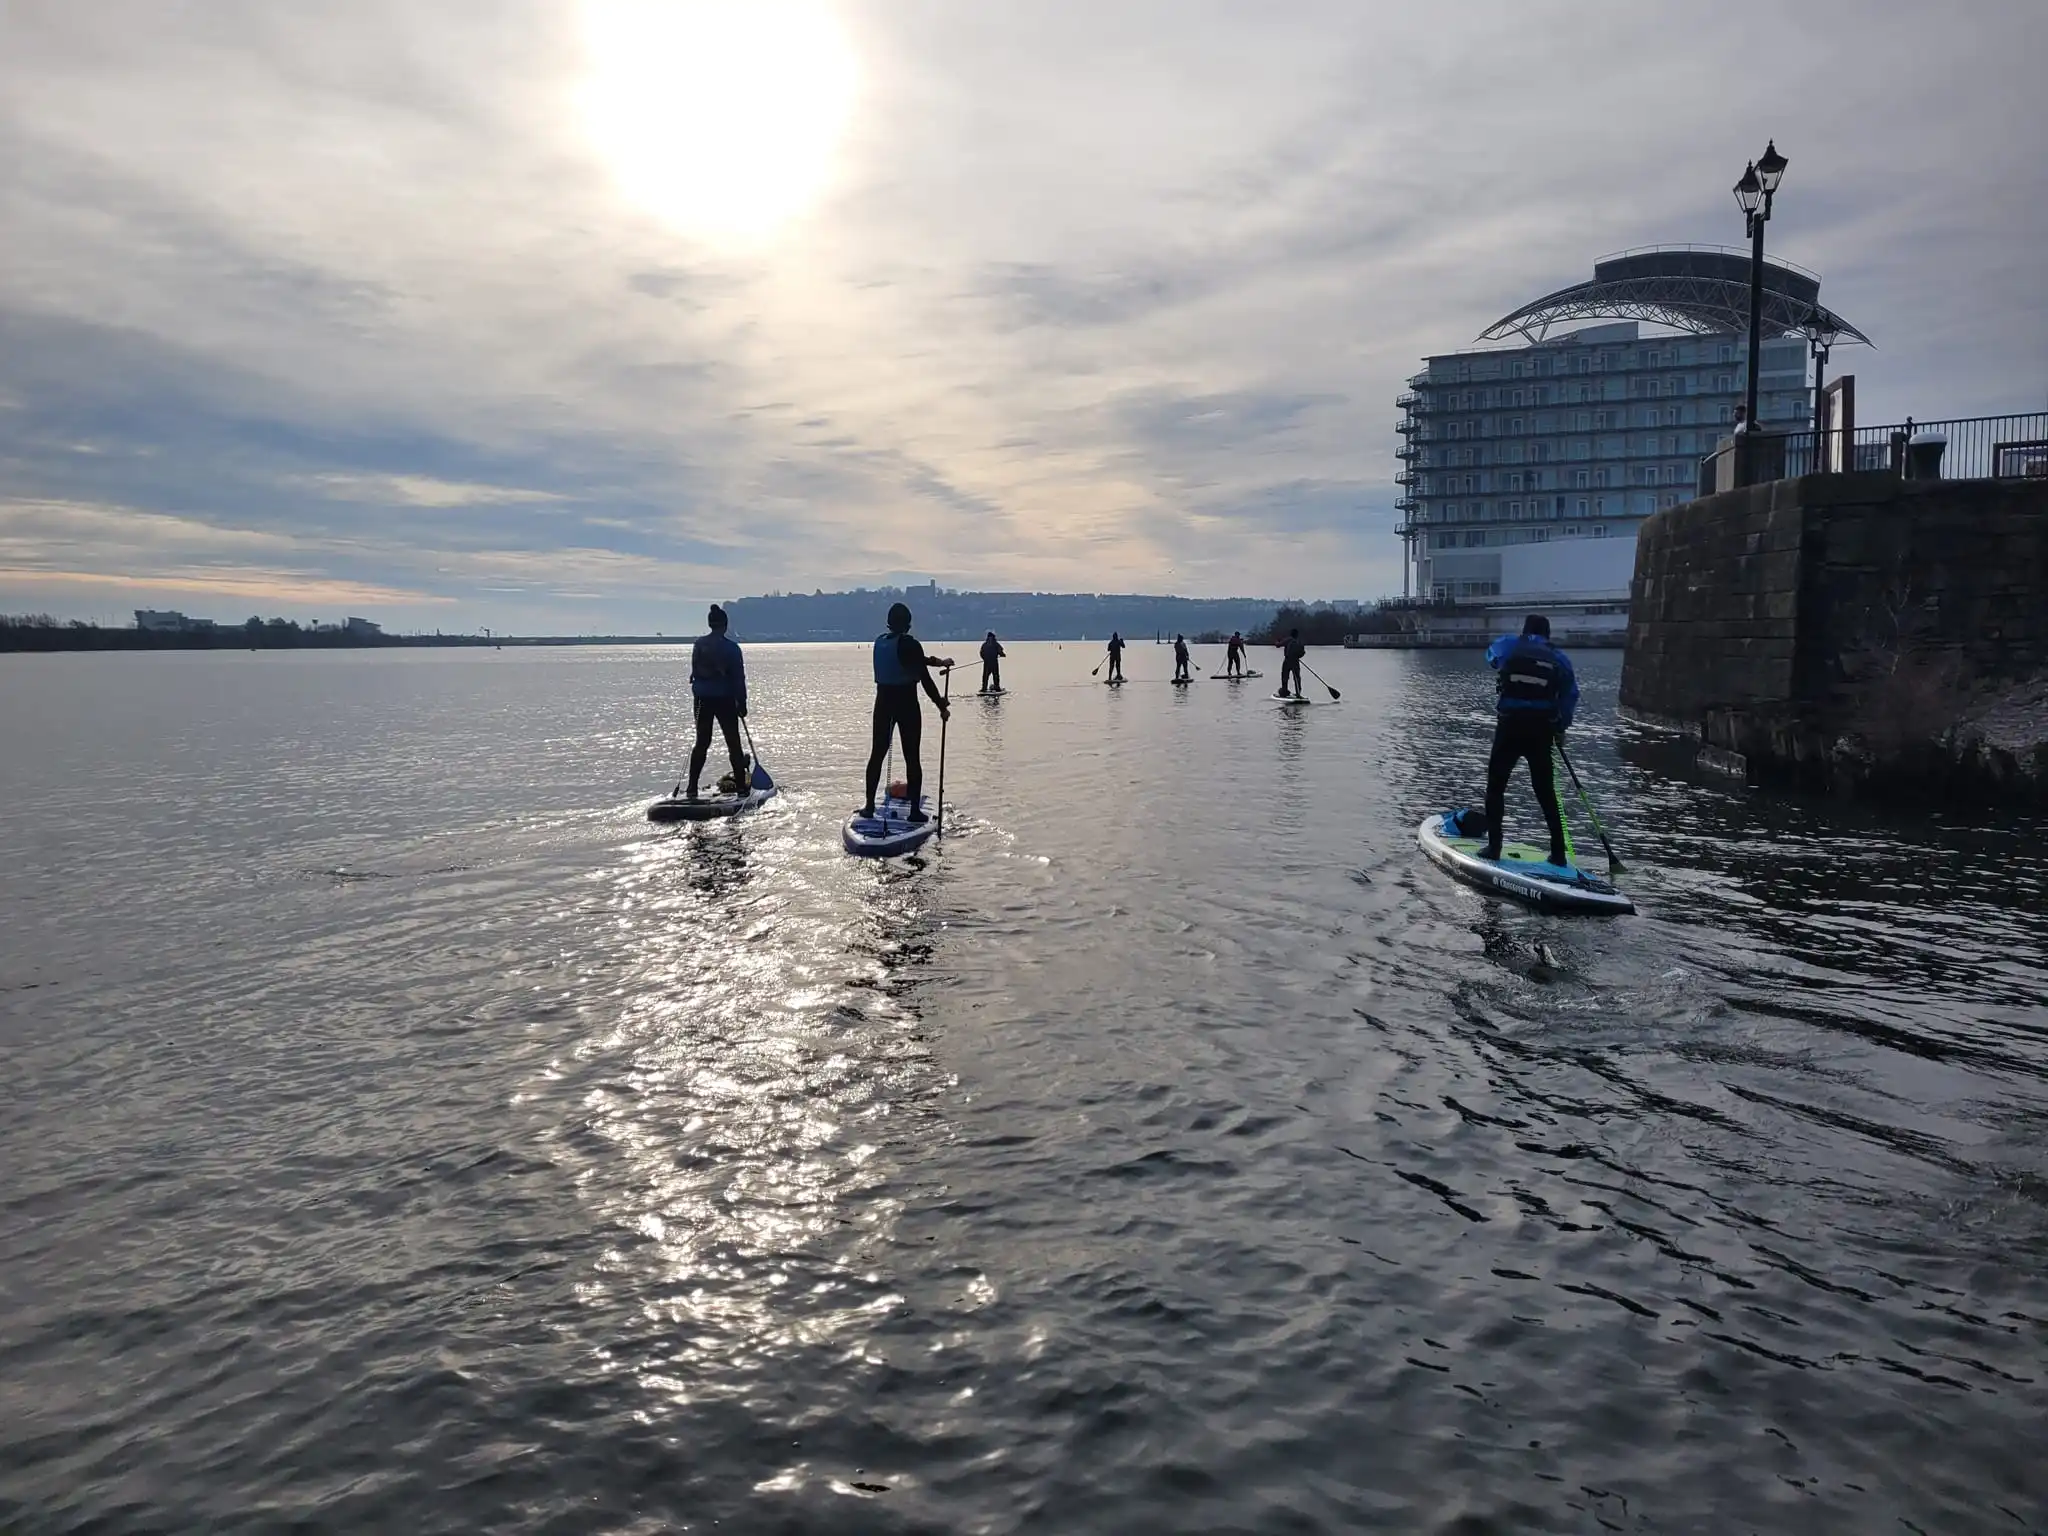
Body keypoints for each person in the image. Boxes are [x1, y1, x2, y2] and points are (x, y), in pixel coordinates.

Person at [1481, 613, 1579, 866]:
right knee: (1545, 791)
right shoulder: (1559, 658)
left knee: (1496, 787)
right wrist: (1561, 728)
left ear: (1524, 630)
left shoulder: (1509, 645)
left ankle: (1494, 848)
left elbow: (1491, 657)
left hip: (1510, 725)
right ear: (1547, 634)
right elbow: (1570, 695)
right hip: (1542, 729)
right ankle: (1558, 854)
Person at [862, 602, 953, 822]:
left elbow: (914, 660)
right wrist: (941, 704)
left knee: (877, 754)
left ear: (889, 622)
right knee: (912, 757)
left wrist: (939, 662)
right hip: (906, 703)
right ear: (909, 624)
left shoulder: (880, 642)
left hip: (883, 702)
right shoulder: (911, 644)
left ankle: (869, 807)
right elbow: (925, 679)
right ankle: (914, 812)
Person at [687, 604, 749, 800]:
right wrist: (742, 703)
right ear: (725, 625)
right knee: (733, 743)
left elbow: (695, 672)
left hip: (702, 699)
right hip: (725, 699)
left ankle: (691, 788)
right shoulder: (731, 648)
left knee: (702, 742)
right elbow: (738, 678)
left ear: (710, 624)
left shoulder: (699, 644)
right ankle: (741, 787)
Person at [1277, 628, 1306, 698]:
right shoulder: (1299, 642)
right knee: (1297, 677)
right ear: (1297, 635)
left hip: (1287, 660)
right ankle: (1298, 692)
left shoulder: (1288, 640)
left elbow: (1278, 645)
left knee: (1285, 676)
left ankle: (1284, 691)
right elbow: (1303, 652)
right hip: (1295, 661)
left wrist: (1277, 641)